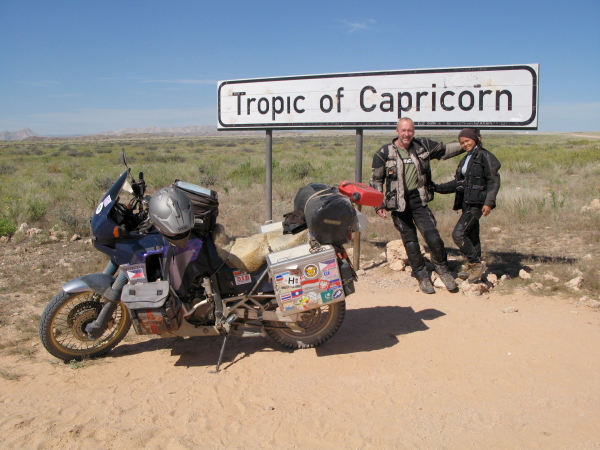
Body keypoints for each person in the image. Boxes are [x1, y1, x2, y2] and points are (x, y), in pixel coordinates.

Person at [370, 117, 464, 294]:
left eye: (410, 130)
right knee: (410, 242)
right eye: (403, 130)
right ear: (397, 131)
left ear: (414, 131)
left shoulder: (423, 146)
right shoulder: (384, 153)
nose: (407, 134)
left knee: (433, 237)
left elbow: (444, 150)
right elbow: (376, 180)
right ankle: (421, 274)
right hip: (398, 204)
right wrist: (379, 204)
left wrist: (467, 143)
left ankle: (442, 268)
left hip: (419, 200)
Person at [434, 128, 501, 283]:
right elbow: (459, 183)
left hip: (477, 203)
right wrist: (437, 187)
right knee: (472, 236)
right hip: (466, 202)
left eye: (467, 141)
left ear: (476, 139)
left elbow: (493, 181)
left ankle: (476, 264)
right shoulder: (466, 159)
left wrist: (489, 202)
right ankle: (476, 270)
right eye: (462, 142)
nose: (465, 144)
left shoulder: (485, 156)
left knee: (458, 234)